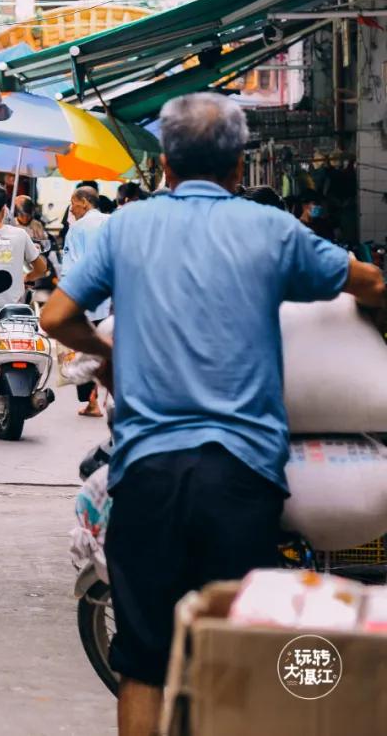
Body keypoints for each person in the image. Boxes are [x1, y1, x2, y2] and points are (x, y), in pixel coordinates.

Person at [40, 93, 386, 736]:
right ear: (238, 167)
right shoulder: (271, 230)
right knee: (234, 652)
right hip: (241, 474)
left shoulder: (124, 227)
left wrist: (102, 347)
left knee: (144, 660)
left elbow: (57, 318)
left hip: (147, 469)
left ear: (166, 165)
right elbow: (368, 284)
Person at [60, 185, 110, 416]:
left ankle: (91, 400)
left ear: (84, 202)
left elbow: (70, 270)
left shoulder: (77, 229)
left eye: (73, 203)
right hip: (110, 300)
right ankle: (103, 397)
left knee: (83, 348)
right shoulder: (112, 222)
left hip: (86, 299)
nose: (71, 209)